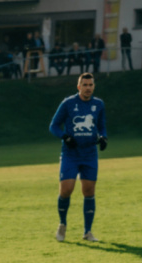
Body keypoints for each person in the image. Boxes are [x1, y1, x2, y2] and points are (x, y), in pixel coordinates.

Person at [48, 72, 107, 244]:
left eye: (91, 85)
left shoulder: (98, 104)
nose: (88, 88)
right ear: (78, 86)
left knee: (89, 191)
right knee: (66, 190)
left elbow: (102, 126)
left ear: (94, 86)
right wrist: (65, 137)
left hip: (89, 154)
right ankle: (62, 224)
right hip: (70, 154)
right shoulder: (68, 103)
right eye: (85, 85)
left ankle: (88, 232)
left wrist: (103, 138)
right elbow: (53, 126)